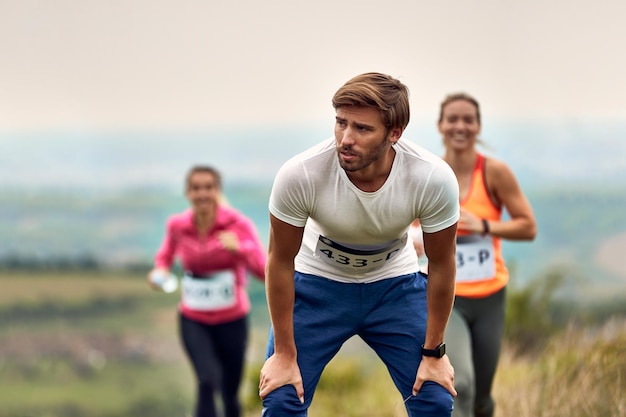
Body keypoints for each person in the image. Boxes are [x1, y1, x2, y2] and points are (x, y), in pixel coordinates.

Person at [258, 72, 461, 417]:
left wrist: (434, 354)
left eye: (362, 129)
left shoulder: (431, 177)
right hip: (317, 284)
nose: (345, 139)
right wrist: (284, 354)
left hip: (394, 286)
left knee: (434, 398)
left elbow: (442, 264)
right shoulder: (301, 174)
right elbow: (279, 261)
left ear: (394, 134)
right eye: (340, 123)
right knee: (281, 399)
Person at [436, 93, 537, 417]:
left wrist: (482, 224)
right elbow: (407, 231)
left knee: (481, 397)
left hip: (490, 296)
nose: (460, 126)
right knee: (460, 384)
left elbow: (528, 227)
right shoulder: (432, 174)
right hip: (445, 297)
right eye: (452, 118)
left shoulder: (494, 172)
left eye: (468, 119)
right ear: (440, 125)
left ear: (478, 126)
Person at [148, 165, 267, 417]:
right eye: (196, 188)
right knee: (207, 380)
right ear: (187, 193)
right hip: (194, 319)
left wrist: (240, 249)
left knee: (230, 393)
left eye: (208, 187)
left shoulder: (237, 224)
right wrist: (158, 274)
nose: (202, 193)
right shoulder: (178, 226)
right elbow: (164, 258)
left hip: (232, 320)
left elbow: (264, 270)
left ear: (218, 191)